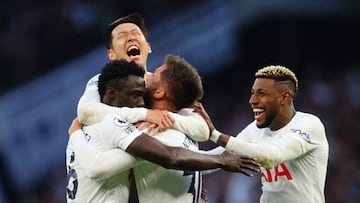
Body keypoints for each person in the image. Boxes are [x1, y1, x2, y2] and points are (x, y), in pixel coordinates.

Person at [66, 59, 260, 203]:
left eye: (153, 76)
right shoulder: (186, 128)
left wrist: (75, 135)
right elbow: (191, 157)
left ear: (160, 92)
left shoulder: (150, 132)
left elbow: (172, 156)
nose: (147, 77)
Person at [194, 65, 329, 203]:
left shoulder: (309, 125)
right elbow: (216, 157)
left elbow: (273, 157)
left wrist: (215, 135)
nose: (253, 100)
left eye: (262, 94)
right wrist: (177, 166)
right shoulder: (257, 129)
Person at [76, 13, 209, 143]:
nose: (130, 38)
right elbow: (85, 112)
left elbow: (202, 130)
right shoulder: (102, 81)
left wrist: (166, 118)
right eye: (122, 36)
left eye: (136, 33)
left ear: (148, 47)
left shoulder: (163, 82)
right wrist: (147, 115)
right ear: (111, 55)